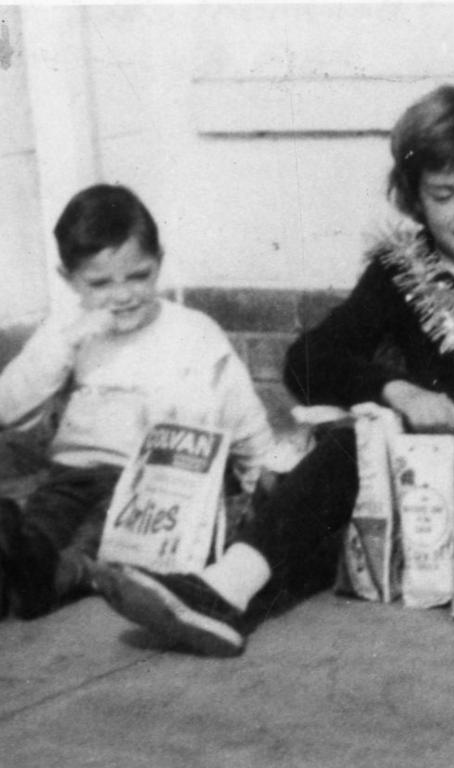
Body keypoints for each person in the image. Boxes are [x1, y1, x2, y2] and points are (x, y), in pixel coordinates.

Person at [94, 85, 454, 673]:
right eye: (444, 195)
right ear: (414, 198)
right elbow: (308, 361)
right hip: (430, 475)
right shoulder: (402, 269)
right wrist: (396, 390)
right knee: (343, 449)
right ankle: (224, 592)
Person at [0, 184, 273, 620]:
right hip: (74, 474)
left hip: (151, 486)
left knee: (101, 539)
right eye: (100, 283)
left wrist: (264, 479)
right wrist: (66, 343)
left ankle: (41, 582)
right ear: (68, 279)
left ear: (159, 263)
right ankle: (22, 565)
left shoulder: (192, 333)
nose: (123, 294)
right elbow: (9, 407)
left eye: (138, 275)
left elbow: (244, 418)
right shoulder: (68, 332)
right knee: (42, 524)